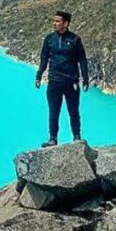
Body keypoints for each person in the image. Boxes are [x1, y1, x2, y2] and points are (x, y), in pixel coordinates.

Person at [35, 10, 89, 146]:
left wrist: (85, 79)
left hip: (71, 81)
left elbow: (82, 60)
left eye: (58, 21)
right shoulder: (49, 39)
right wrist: (39, 75)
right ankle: (53, 138)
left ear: (65, 23)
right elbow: (44, 58)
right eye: (54, 21)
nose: (54, 23)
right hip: (54, 81)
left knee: (73, 110)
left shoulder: (75, 40)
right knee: (54, 111)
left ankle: (77, 137)